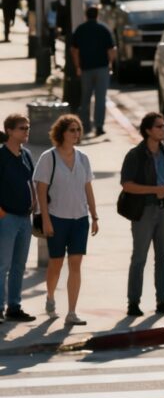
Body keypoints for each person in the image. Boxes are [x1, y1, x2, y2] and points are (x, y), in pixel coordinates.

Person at [34, 113, 97, 328]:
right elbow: (41, 190)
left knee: (76, 264)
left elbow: (88, 187)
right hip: (56, 218)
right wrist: (46, 220)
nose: (76, 134)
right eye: (72, 130)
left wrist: (94, 215)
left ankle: (71, 311)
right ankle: (50, 298)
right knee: (56, 264)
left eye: (78, 130)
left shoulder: (83, 158)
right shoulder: (48, 157)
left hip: (80, 219)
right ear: (61, 132)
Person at [119, 112, 164, 317]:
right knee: (139, 257)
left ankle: (163, 300)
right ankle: (133, 302)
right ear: (148, 130)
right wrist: (155, 190)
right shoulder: (135, 155)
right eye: (159, 126)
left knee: (163, 258)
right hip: (144, 210)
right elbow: (127, 185)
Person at [0, 112, 37, 323]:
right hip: (7, 218)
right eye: (22, 128)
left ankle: (14, 307)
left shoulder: (27, 154)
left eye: (28, 127)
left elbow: (31, 181)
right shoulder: (1, 156)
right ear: (10, 131)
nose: (26, 131)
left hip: (25, 218)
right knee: (2, 265)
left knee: (19, 266)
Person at [70, 6, 115, 137]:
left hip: (85, 69)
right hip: (102, 68)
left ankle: (85, 126)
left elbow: (74, 50)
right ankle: (99, 126)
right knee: (101, 98)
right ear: (97, 15)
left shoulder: (80, 29)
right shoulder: (104, 29)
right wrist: (110, 64)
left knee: (85, 98)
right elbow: (111, 50)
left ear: (86, 15)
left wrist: (77, 66)